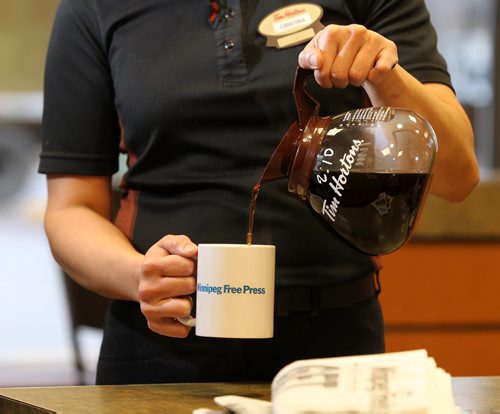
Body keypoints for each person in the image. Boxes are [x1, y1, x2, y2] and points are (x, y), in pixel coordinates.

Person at [39, 0, 479, 385]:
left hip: (337, 346)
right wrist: (140, 277)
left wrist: (387, 77)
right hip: (161, 346)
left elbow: (458, 177)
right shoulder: (92, 8)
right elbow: (71, 210)